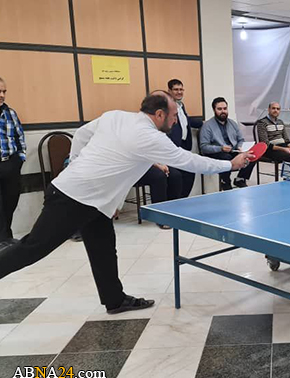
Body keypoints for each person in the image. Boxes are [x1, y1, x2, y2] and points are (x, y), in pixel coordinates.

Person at [0, 92, 251, 314]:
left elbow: (82, 134)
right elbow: (189, 161)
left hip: (94, 202)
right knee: (33, 248)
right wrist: (230, 164)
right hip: (72, 198)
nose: (176, 121)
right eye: (174, 115)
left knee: (103, 249)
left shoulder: (115, 116)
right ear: (159, 114)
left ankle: (115, 300)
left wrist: (75, 163)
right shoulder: (150, 137)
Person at [201, 97, 256, 190]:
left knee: (252, 156)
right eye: (219, 109)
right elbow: (204, 147)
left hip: (233, 151)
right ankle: (225, 182)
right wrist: (220, 148)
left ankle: (240, 179)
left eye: (225, 108)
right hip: (216, 153)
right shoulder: (207, 126)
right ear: (214, 110)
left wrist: (240, 147)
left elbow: (241, 139)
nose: (223, 111)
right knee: (226, 158)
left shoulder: (233, 123)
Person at [0, 77, 26, 248]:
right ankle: (2, 239)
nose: (2, 95)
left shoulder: (10, 113)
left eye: (4, 91)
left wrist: (20, 158)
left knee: (11, 201)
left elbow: (19, 136)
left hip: (10, 163)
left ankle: (6, 236)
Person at [167, 78, 203, 197]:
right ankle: (175, 201)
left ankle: (183, 199)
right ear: (169, 91)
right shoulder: (166, 107)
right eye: (176, 89)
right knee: (177, 178)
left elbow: (185, 121)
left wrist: (202, 123)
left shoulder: (181, 106)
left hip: (184, 146)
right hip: (173, 147)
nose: (179, 92)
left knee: (190, 171)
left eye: (181, 89)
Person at [136, 163, 182, 229]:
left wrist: (163, 164)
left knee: (176, 175)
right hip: (137, 168)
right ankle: (160, 217)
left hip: (154, 164)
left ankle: (172, 213)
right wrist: (158, 166)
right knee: (159, 176)